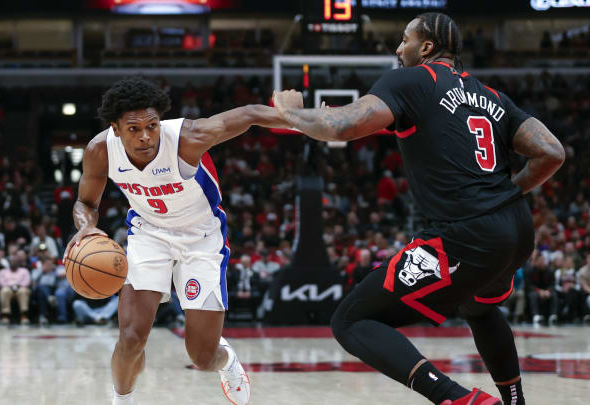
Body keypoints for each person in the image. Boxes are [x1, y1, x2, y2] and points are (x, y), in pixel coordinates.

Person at [273, 12, 565, 405]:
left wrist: (288, 111)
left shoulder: (411, 81)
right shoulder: (491, 96)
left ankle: (458, 399)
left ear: (426, 47)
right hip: (516, 229)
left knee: (350, 321)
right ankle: (514, 402)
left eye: (404, 39)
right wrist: (508, 193)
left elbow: (342, 126)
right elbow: (552, 152)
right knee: (477, 307)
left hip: (466, 235)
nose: (398, 48)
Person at [62, 77, 287, 405]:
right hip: (149, 235)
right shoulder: (101, 150)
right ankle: (122, 401)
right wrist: (84, 229)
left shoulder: (188, 137)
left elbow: (251, 114)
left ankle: (228, 362)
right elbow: (86, 203)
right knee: (130, 338)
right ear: (115, 128)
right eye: (134, 128)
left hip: (202, 239)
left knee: (202, 357)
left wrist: (300, 118)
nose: (145, 136)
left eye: (152, 126)